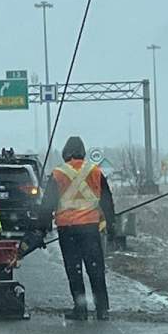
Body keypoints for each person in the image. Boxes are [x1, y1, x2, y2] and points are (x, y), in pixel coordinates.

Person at [42, 136, 115, 320]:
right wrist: (111, 225)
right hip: (90, 228)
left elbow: (47, 204)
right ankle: (102, 310)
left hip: (68, 229)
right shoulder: (95, 171)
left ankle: (80, 309)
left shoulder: (58, 173)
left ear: (66, 153)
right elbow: (107, 201)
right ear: (83, 151)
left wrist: (41, 227)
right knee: (96, 268)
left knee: (74, 270)